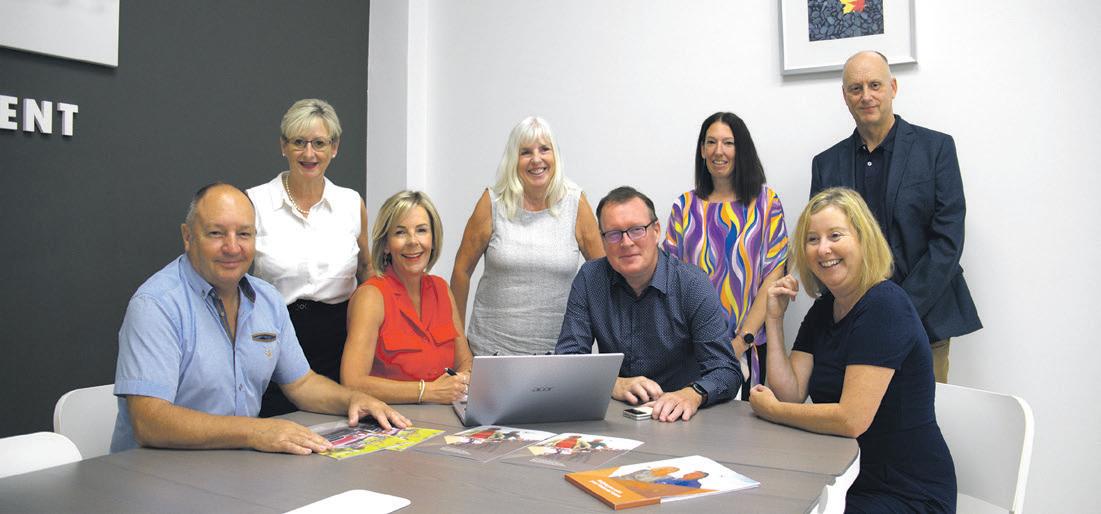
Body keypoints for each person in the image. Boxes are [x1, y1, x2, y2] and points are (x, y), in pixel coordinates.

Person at [111, 183, 408, 454]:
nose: (232, 247)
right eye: (216, 233)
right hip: (158, 475)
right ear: (188, 237)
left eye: (244, 234)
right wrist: (256, 431)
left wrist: (352, 400)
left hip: (234, 468)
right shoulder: (156, 305)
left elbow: (302, 384)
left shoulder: (268, 299)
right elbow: (149, 421)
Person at [749, 188, 956, 512]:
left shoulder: (885, 305)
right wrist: (773, 320)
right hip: (846, 479)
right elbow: (791, 393)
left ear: (863, 240)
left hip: (907, 493)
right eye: (812, 239)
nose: (823, 248)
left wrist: (773, 411)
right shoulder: (824, 308)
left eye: (835, 235)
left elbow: (851, 419)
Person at [811, 51, 981, 383]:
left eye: (875, 85)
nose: (866, 96)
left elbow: (947, 240)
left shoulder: (936, 149)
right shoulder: (826, 164)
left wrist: (900, 309)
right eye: (856, 88)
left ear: (893, 88)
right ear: (845, 96)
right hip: (852, 324)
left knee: (922, 412)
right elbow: (821, 244)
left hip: (925, 320)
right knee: (855, 415)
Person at [556, 186, 742, 423]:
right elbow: (568, 360)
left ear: (656, 231)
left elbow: (726, 370)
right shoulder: (590, 279)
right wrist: (613, 383)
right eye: (614, 234)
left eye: (637, 230)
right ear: (603, 240)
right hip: (614, 418)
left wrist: (692, 394)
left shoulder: (691, 284)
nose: (626, 242)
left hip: (681, 419)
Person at [247, 99, 373, 415]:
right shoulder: (255, 202)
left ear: (334, 148)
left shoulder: (351, 203)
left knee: (344, 430)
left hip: (340, 344)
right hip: (274, 341)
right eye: (298, 142)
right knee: (280, 431)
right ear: (283, 146)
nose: (309, 153)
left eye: (319, 143)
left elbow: (367, 269)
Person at [452, 116, 603, 356]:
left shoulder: (576, 203)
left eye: (544, 149)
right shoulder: (492, 202)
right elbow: (461, 271)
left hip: (559, 355)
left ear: (555, 155)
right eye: (525, 152)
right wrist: (458, 348)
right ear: (513, 159)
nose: (536, 159)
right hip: (491, 353)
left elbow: (602, 276)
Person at [664, 112, 789, 399]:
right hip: (692, 353)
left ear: (741, 149)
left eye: (728, 143)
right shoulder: (684, 206)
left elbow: (773, 278)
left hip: (750, 349)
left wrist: (739, 343)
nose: (718, 151)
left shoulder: (766, 203)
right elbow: (671, 280)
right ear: (702, 150)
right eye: (711, 142)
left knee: (743, 425)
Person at [340, 191, 473, 404]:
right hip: (390, 417)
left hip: (445, 413)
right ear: (385, 244)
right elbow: (352, 382)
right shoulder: (371, 296)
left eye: (421, 230)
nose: (413, 241)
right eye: (400, 232)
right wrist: (427, 391)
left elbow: (465, 362)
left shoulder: (441, 289)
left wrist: (463, 380)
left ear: (433, 239)